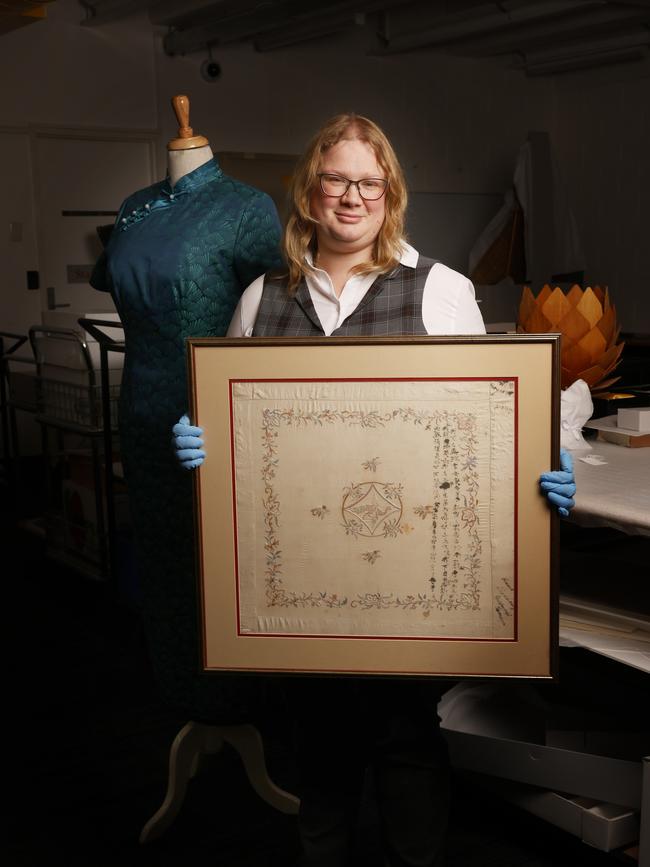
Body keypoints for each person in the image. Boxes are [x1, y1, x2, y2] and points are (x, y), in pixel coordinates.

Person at [172, 113, 576, 866]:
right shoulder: (263, 297)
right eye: (335, 179)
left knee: (406, 744)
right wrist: (198, 440)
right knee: (319, 756)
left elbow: (488, 422)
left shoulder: (442, 290)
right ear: (309, 191)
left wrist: (537, 468)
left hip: (413, 583)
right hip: (303, 583)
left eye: (368, 181)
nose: (351, 197)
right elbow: (230, 421)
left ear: (390, 194)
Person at [90, 95, 283, 722]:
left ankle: (242, 708)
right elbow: (109, 278)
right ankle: (184, 704)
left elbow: (278, 313)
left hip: (211, 413)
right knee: (164, 563)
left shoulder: (246, 207)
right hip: (141, 406)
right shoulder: (135, 206)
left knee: (225, 560)